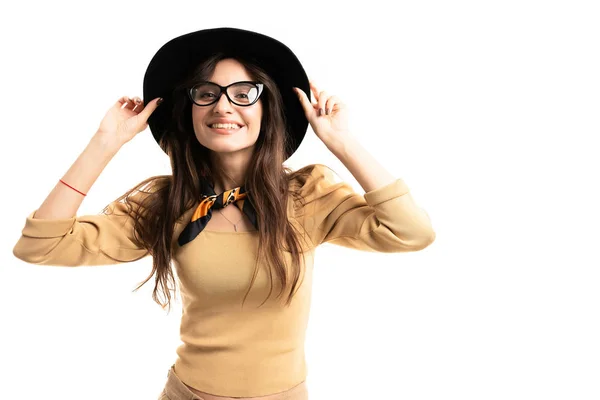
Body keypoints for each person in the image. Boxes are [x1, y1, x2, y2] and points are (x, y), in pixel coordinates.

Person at [12, 27, 436, 400]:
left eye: (243, 93)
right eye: (206, 93)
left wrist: (341, 142)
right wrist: (106, 142)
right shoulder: (166, 203)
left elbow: (412, 232)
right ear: (190, 110)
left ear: (267, 108)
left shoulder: (308, 195)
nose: (223, 107)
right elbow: (39, 246)